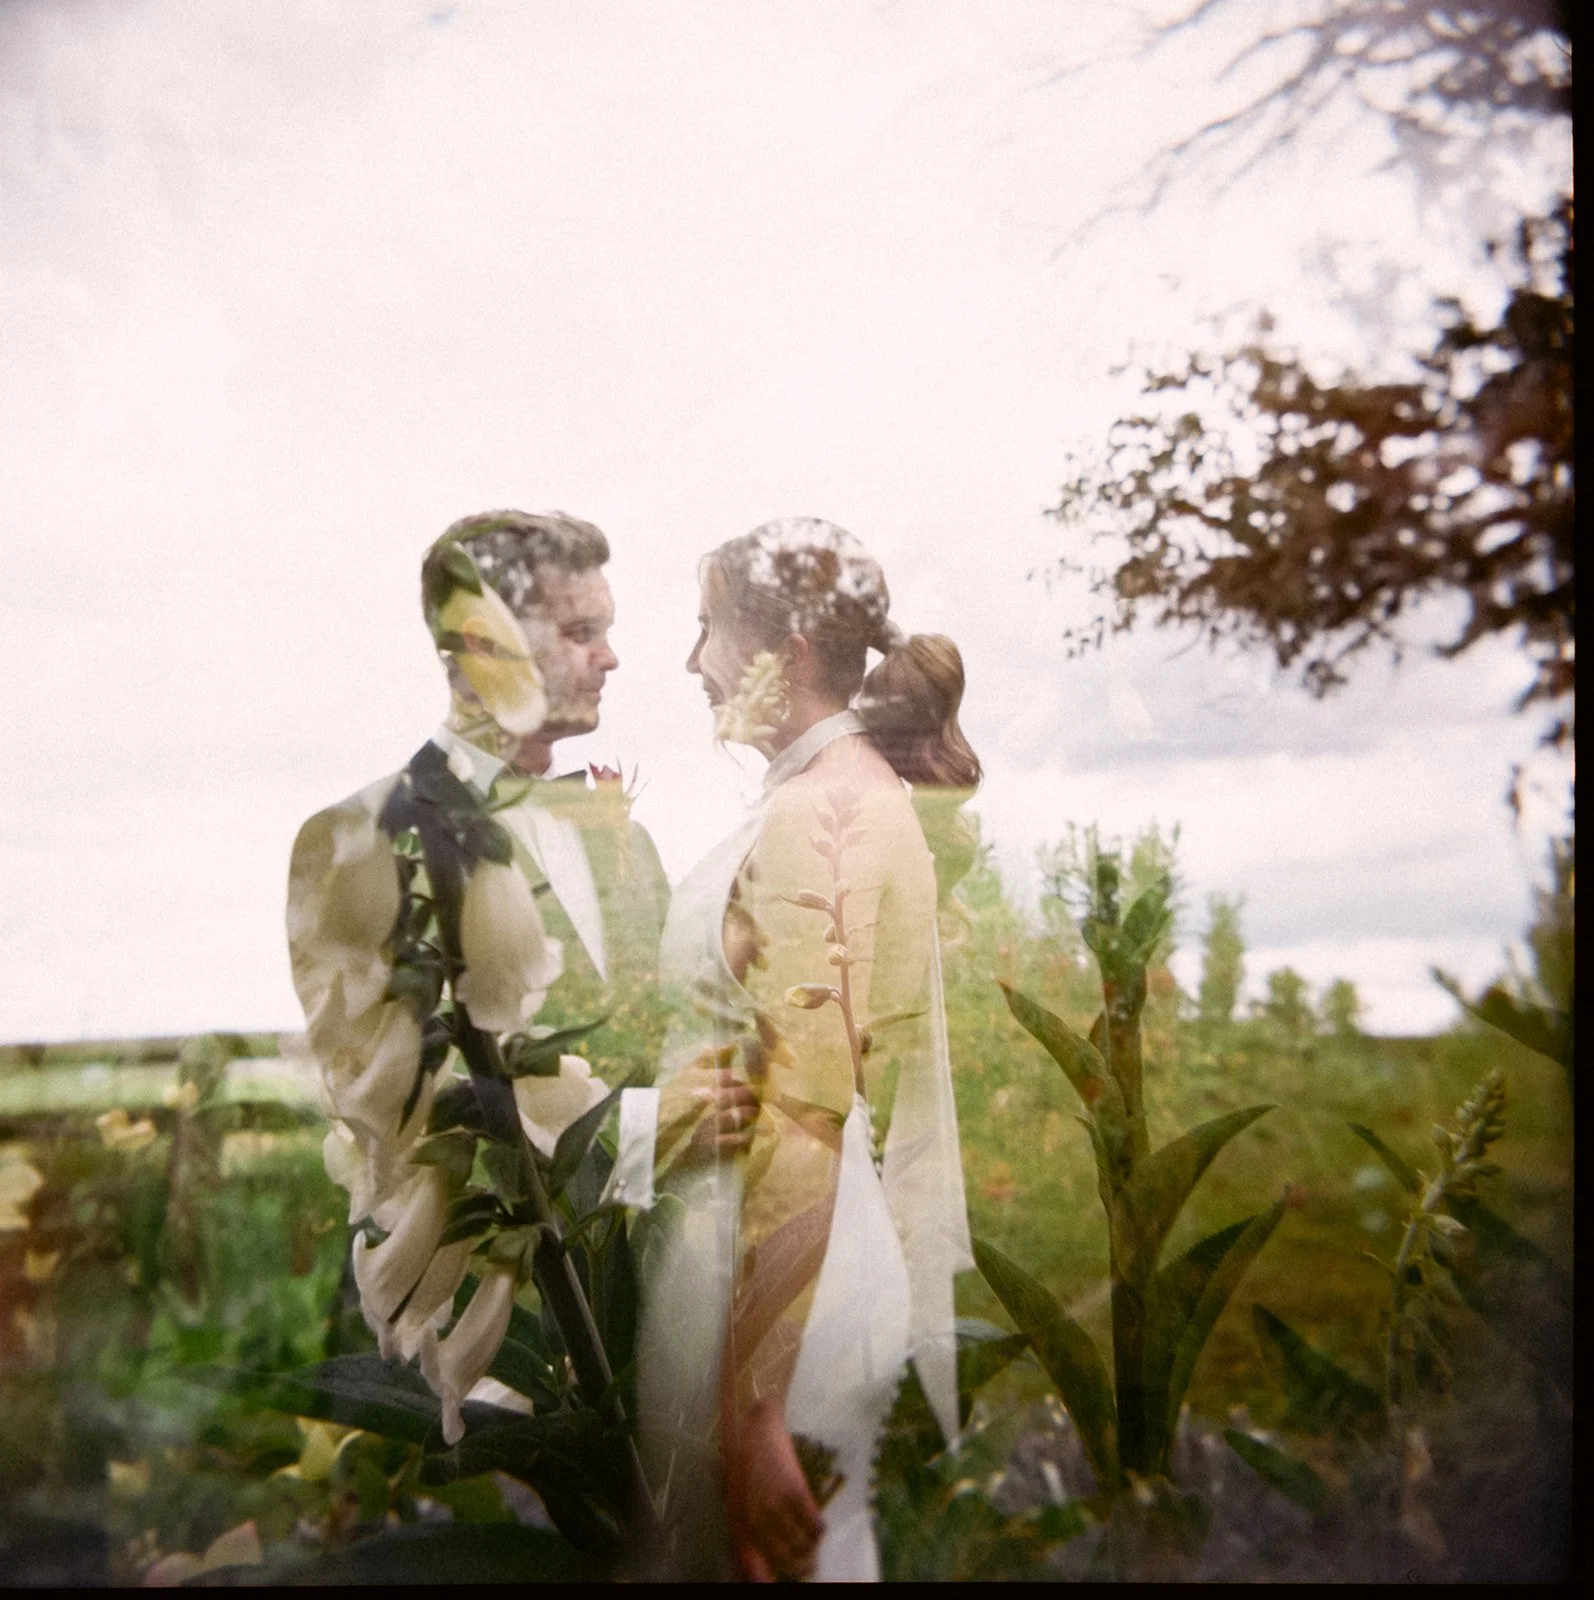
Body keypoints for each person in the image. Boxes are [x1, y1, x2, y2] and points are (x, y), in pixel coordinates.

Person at [613, 517, 977, 1581]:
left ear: (792, 652)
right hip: (764, 1258)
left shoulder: (822, 809)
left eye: (708, 629)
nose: (691, 661)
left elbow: (808, 1113)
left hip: (784, 1291)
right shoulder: (843, 793)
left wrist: (755, 1406)